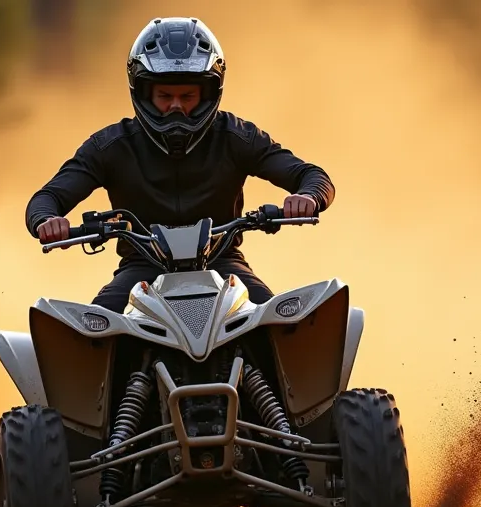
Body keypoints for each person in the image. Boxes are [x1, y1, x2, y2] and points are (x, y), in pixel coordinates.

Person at [25, 16, 334, 313]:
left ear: (209, 93)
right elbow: (46, 199)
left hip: (224, 265)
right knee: (91, 336)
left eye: (187, 95)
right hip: (141, 271)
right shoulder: (111, 146)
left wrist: (308, 197)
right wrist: (47, 221)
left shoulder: (237, 137)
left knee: (278, 324)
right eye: (164, 95)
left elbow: (312, 176)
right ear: (143, 92)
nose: (176, 107)